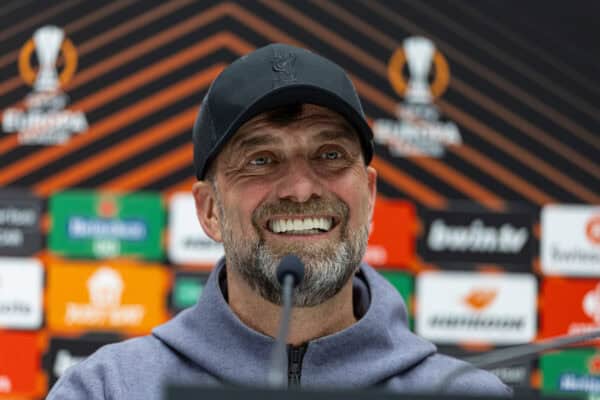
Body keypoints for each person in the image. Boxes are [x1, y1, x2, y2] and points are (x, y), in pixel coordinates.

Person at [47, 43, 511, 399]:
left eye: (330, 155)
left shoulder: (465, 393)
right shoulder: (109, 388)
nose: (302, 188)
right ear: (210, 210)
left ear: (368, 195)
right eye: (262, 159)